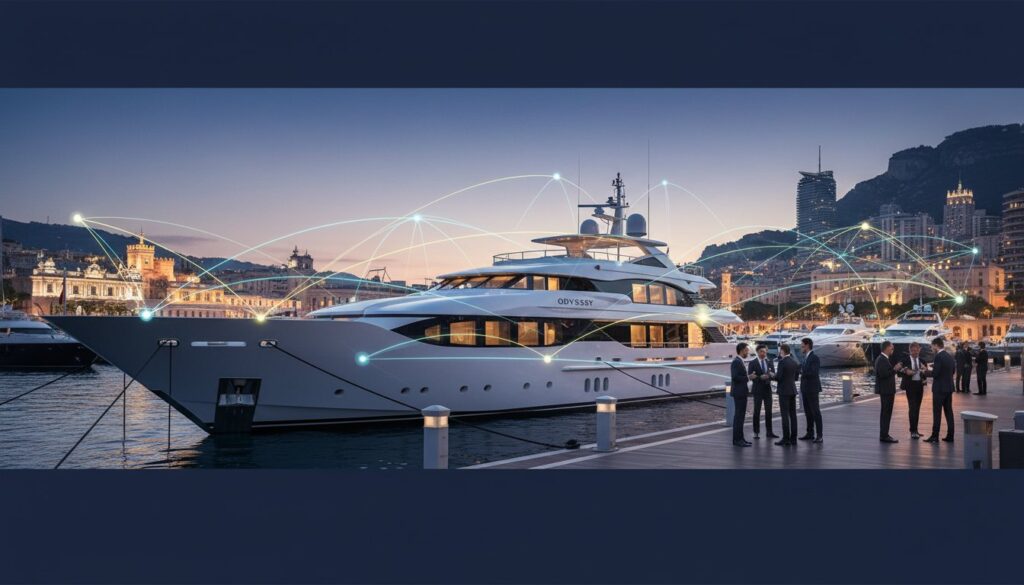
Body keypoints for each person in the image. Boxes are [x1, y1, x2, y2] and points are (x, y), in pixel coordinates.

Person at [924, 337, 955, 443]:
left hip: (939, 389)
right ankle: (950, 435)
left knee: (937, 412)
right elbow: (952, 371)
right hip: (949, 388)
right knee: (949, 412)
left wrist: (924, 372)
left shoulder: (938, 356)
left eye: (932, 346)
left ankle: (935, 436)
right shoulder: (949, 356)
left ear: (936, 345)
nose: (931, 348)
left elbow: (935, 374)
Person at [898, 341, 928, 439]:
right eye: (913, 351)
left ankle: (916, 430)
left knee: (917, 408)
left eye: (917, 350)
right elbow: (898, 371)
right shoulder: (905, 360)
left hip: (919, 386)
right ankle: (912, 431)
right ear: (910, 350)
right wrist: (906, 371)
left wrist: (925, 371)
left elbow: (926, 373)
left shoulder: (923, 360)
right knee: (912, 408)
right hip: (910, 386)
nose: (915, 352)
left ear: (919, 350)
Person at [748, 344, 778, 440]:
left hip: (767, 389)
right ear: (757, 352)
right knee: (757, 411)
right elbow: (750, 376)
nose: (763, 353)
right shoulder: (752, 363)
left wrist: (770, 376)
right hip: (757, 389)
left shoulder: (769, 361)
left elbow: (773, 374)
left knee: (769, 411)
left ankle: (769, 432)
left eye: (765, 352)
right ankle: (756, 432)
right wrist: (760, 378)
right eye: (761, 351)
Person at [874, 341, 901, 443]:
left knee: (886, 413)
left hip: (887, 390)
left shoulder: (883, 359)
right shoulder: (882, 359)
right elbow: (884, 374)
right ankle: (884, 435)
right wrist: (895, 369)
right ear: (887, 348)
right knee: (886, 413)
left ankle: (885, 434)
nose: (893, 349)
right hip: (886, 391)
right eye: (892, 347)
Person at [798, 337, 823, 443]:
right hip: (805, 388)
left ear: (807, 345)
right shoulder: (805, 357)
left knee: (815, 412)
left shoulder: (814, 358)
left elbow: (814, 372)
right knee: (808, 412)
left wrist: (802, 372)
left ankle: (819, 435)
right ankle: (810, 433)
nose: (801, 347)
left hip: (812, 388)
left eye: (802, 345)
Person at [774, 343, 800, 446]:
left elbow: (778, 377)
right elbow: (796, 377)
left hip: (784, 391)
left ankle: (786, 438)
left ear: (783, 351)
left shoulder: (782, 362)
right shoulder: (794, 362)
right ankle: (793, 438)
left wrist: (772, 376)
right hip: (792, 390)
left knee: (785, 415)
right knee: (793, 415)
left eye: (780, 351)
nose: (779, 353)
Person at [731, 342, 752, 447]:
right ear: (742, 350)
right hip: (739, 393)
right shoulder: (736, 362)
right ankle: (737, 440)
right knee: (739, 417)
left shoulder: (739, 361)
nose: (748, 352)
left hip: (742, 392)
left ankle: (741, 438)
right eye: (747, 350)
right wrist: (749, 377)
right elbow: (735, 377)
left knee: (741, 416)